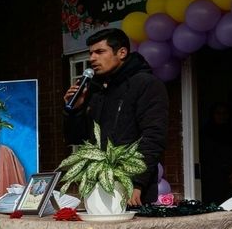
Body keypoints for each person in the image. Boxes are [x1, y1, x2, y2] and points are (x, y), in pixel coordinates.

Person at [62, 28, 168, 206]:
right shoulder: (95, 89)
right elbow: (76, 138)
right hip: (96, 185)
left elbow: (153, 137)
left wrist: (137, 183)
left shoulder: (146, 84)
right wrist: (75, 110)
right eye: (90, 53)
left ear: (122, 52)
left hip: (132, 188)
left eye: (100, 52)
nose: (92, 58)